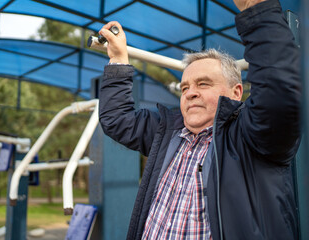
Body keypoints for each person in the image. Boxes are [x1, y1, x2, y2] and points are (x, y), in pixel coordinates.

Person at [98, 0, 301, 239]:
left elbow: (278, 92)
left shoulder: (251, 136)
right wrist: (119, 59)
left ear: (236, 92)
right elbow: (116, 119)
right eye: (184, 88)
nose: (190, 92)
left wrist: (256, 8)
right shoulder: (167, 132)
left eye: (203, 83)